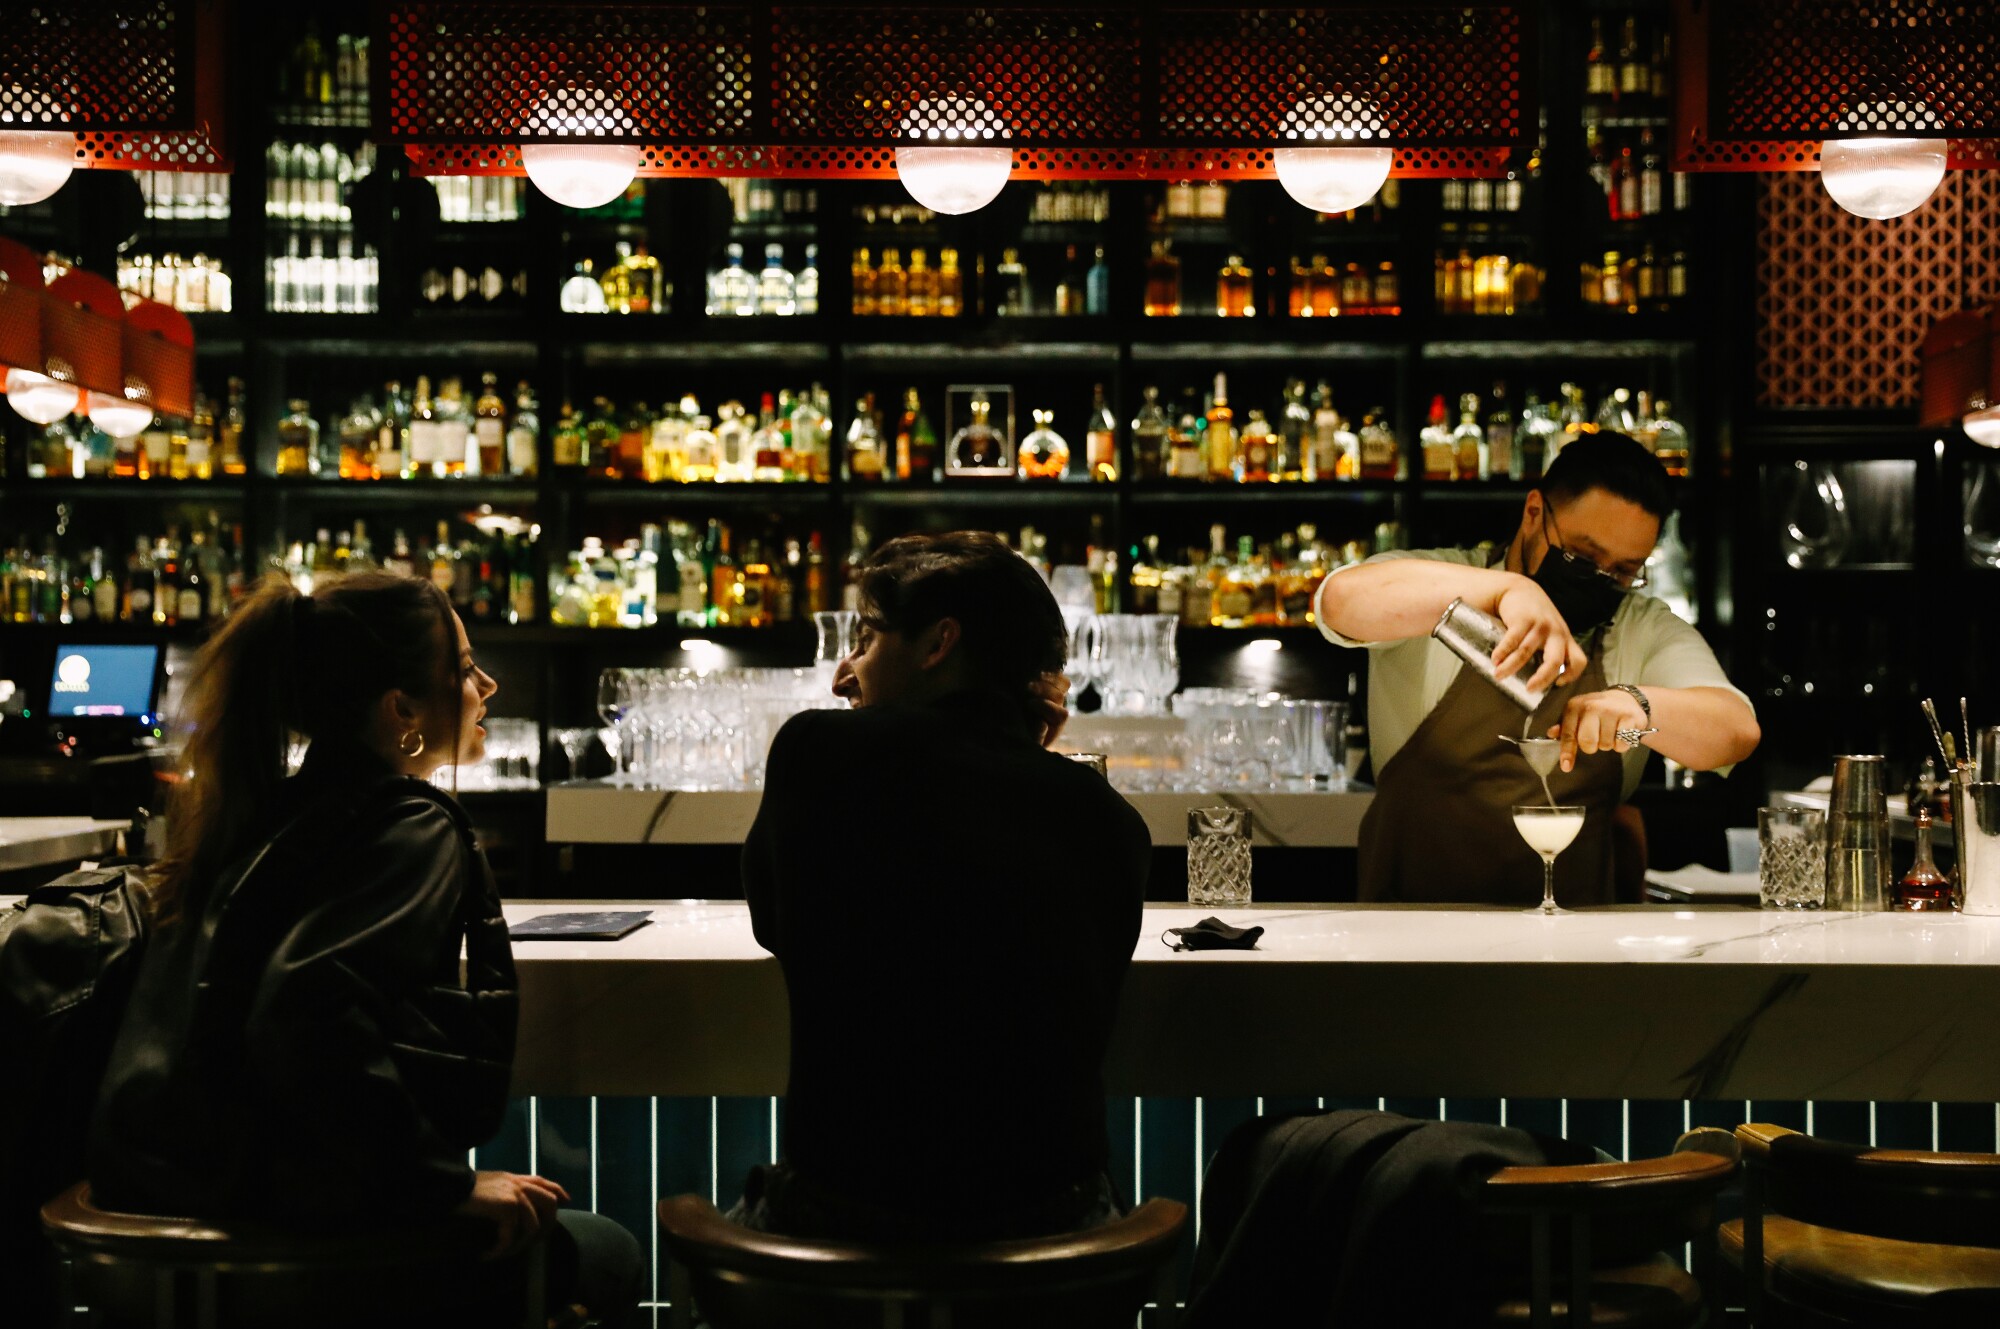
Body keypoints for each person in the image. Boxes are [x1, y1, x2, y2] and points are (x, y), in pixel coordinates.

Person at [89, 572, 641, 1327]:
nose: (490, 683)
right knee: (607, 1249)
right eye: (466, 666)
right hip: (296, 1256)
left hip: (181, 1234)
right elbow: (303, 1012)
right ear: (402, 710)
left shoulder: (270, 811)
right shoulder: (410, 824)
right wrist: (444, 1183)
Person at [735, 531, 1150, 1242]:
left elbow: (775, 924)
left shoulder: (816, 755)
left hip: (845, 1222)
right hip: (1056, 1241)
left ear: (937, 644)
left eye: (866, 638)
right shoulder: (1110, 817)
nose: (843, 674)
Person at [1317, 433, 1760, 906]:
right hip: (1413, 937)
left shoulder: (1640, 626)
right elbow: (1339, 601)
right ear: (1534, 514)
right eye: (1582, 558)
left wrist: (1639, 711)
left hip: (1576, 949)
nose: (1601, 580)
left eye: (1624, 571)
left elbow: (1734, 731)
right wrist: (1503, 590)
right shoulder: (1441, 581)